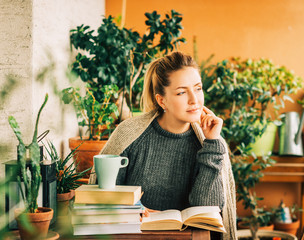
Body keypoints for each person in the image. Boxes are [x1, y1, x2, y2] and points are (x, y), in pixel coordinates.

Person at [89, 52, 237, 240]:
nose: (194, 100)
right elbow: (102, 196)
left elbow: (206, 215)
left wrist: (212, 145)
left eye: (198, 88)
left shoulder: (211, 143)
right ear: (162, 100)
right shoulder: (129, 135)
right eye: (182, 92)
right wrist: (132, 208)